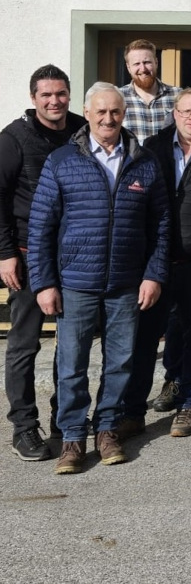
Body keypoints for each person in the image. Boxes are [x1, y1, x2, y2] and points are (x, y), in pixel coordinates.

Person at [28, 83, 169, 474]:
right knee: (71, 364)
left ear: (125, 115)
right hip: (75, 282)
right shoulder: (61, 160)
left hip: (126, 283)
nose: (109, 119)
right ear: (87, 114)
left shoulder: (143, 162)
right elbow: (41, 228)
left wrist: (153, 275)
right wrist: (44, 284)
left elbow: (160, 225)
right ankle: (72, 437)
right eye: (101, 112)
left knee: (120, 362)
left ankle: (107, 429)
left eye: (116, 113)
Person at [119, 88, 191, 440]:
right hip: (157, 261)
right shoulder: (152, 149)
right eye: (186, 112)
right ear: (174, 113)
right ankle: (133, 411)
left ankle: (189, 403)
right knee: (147, 337)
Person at [0, 65, 87, 460]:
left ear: (70, 94)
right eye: (46, 95)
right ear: (34, 98)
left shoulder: (82, 130)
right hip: (25, 255)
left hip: (72, 257)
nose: (55, 101)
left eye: (61, 94)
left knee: (71, 344)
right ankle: (23, 426)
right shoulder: (14, 138)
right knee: (25, 343)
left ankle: (63, 419)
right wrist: (4, 254)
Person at [119, 39, 180, 141]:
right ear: (128, 67)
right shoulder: (118, 98)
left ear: (156, 62)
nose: (143, 69)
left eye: (147, 62)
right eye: (136, 64)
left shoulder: (178, 95)